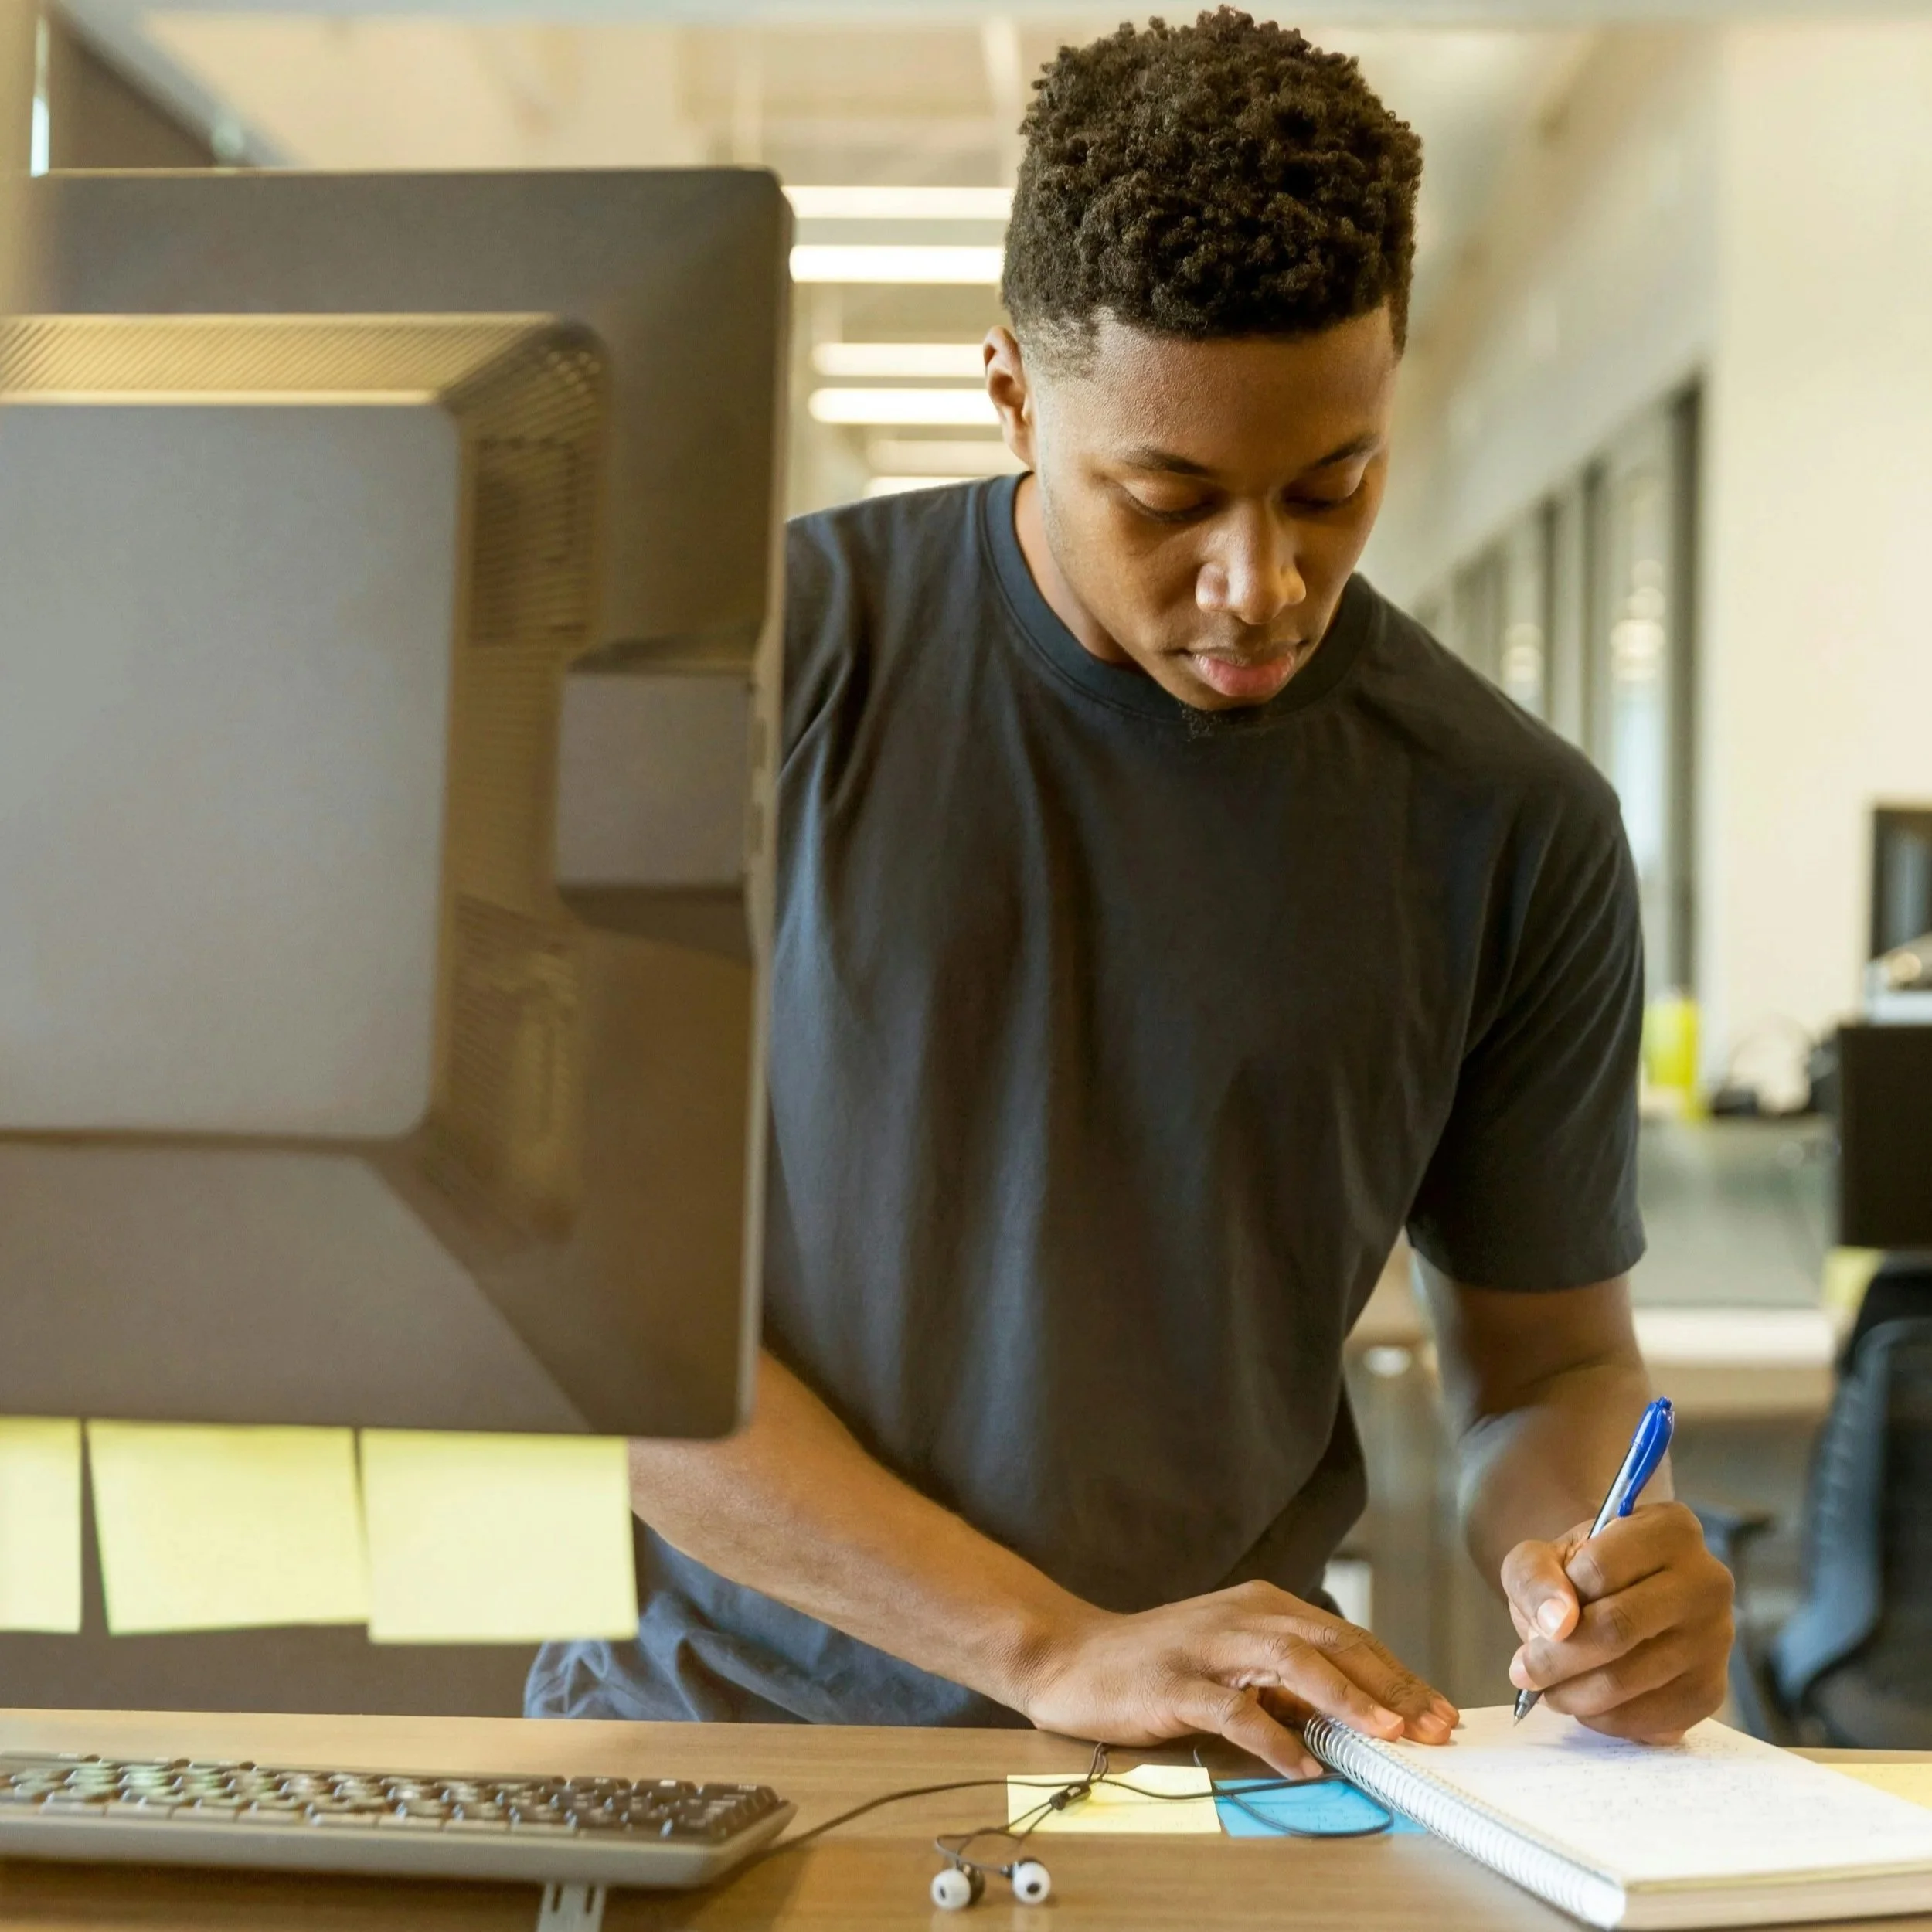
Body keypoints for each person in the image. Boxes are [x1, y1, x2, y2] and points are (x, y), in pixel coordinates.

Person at [528, 8, 1733, 1774]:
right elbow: (581, 1315)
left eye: (1332, 486)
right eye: (1167, 497)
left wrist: (1596, 1572)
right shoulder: (743, 679)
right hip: (716, 1745)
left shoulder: (1506, 820)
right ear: (1010, 387)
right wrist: (1041, 1642)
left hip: (1204, 1771)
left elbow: (1546, 1372)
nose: (1260, 580)